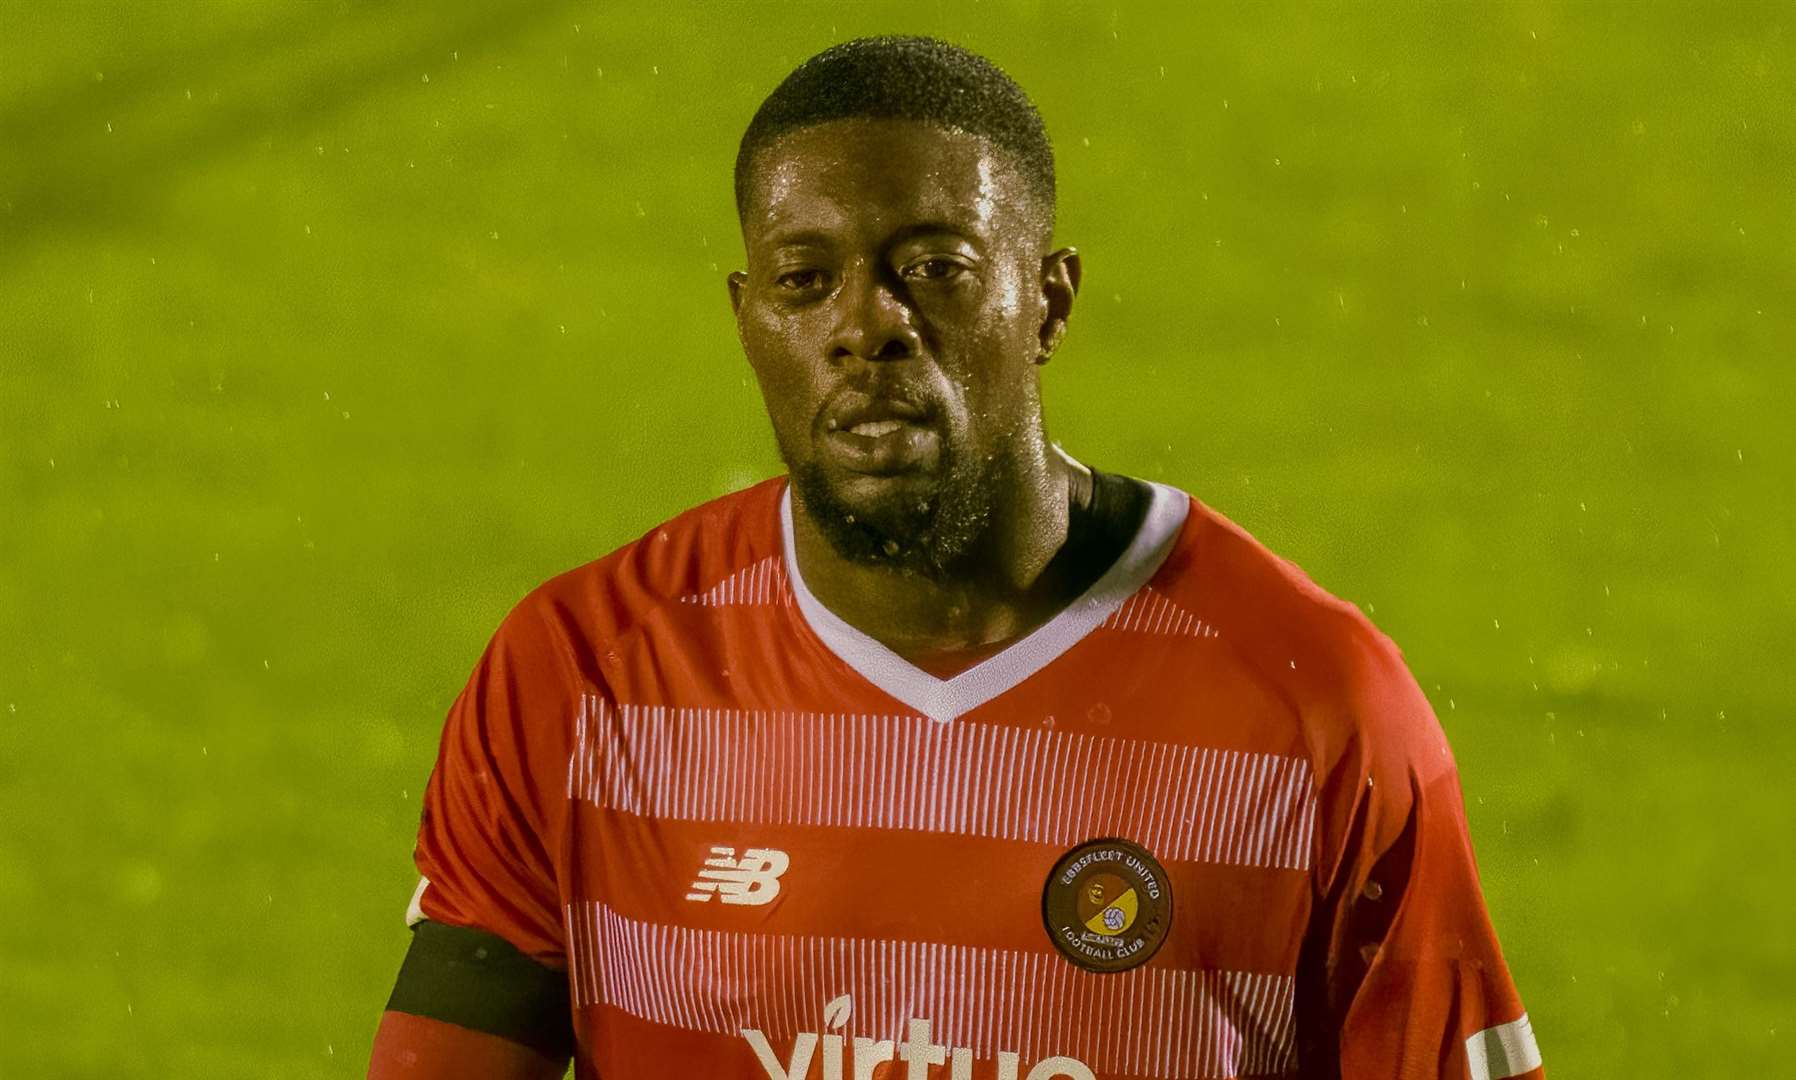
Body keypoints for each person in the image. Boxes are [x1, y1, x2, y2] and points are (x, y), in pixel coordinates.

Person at [367, 35, 1544, 1080]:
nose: (865, 322)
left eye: (933, 266)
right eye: (803, 278)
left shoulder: (1317, 713)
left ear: (1047, 300)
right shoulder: (577, 682)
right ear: (745, 319)